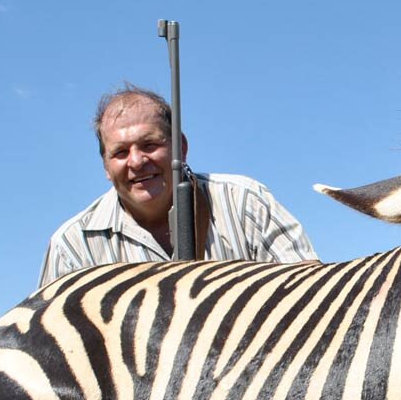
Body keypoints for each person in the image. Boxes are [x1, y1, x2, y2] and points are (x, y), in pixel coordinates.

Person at [39, 85, 317, 288]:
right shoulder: (71, 246)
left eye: (150, 145)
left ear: (180, 147)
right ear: (106, 168)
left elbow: (311, 291)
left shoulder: (246, 202)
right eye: (121, 152)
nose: (136, 161)